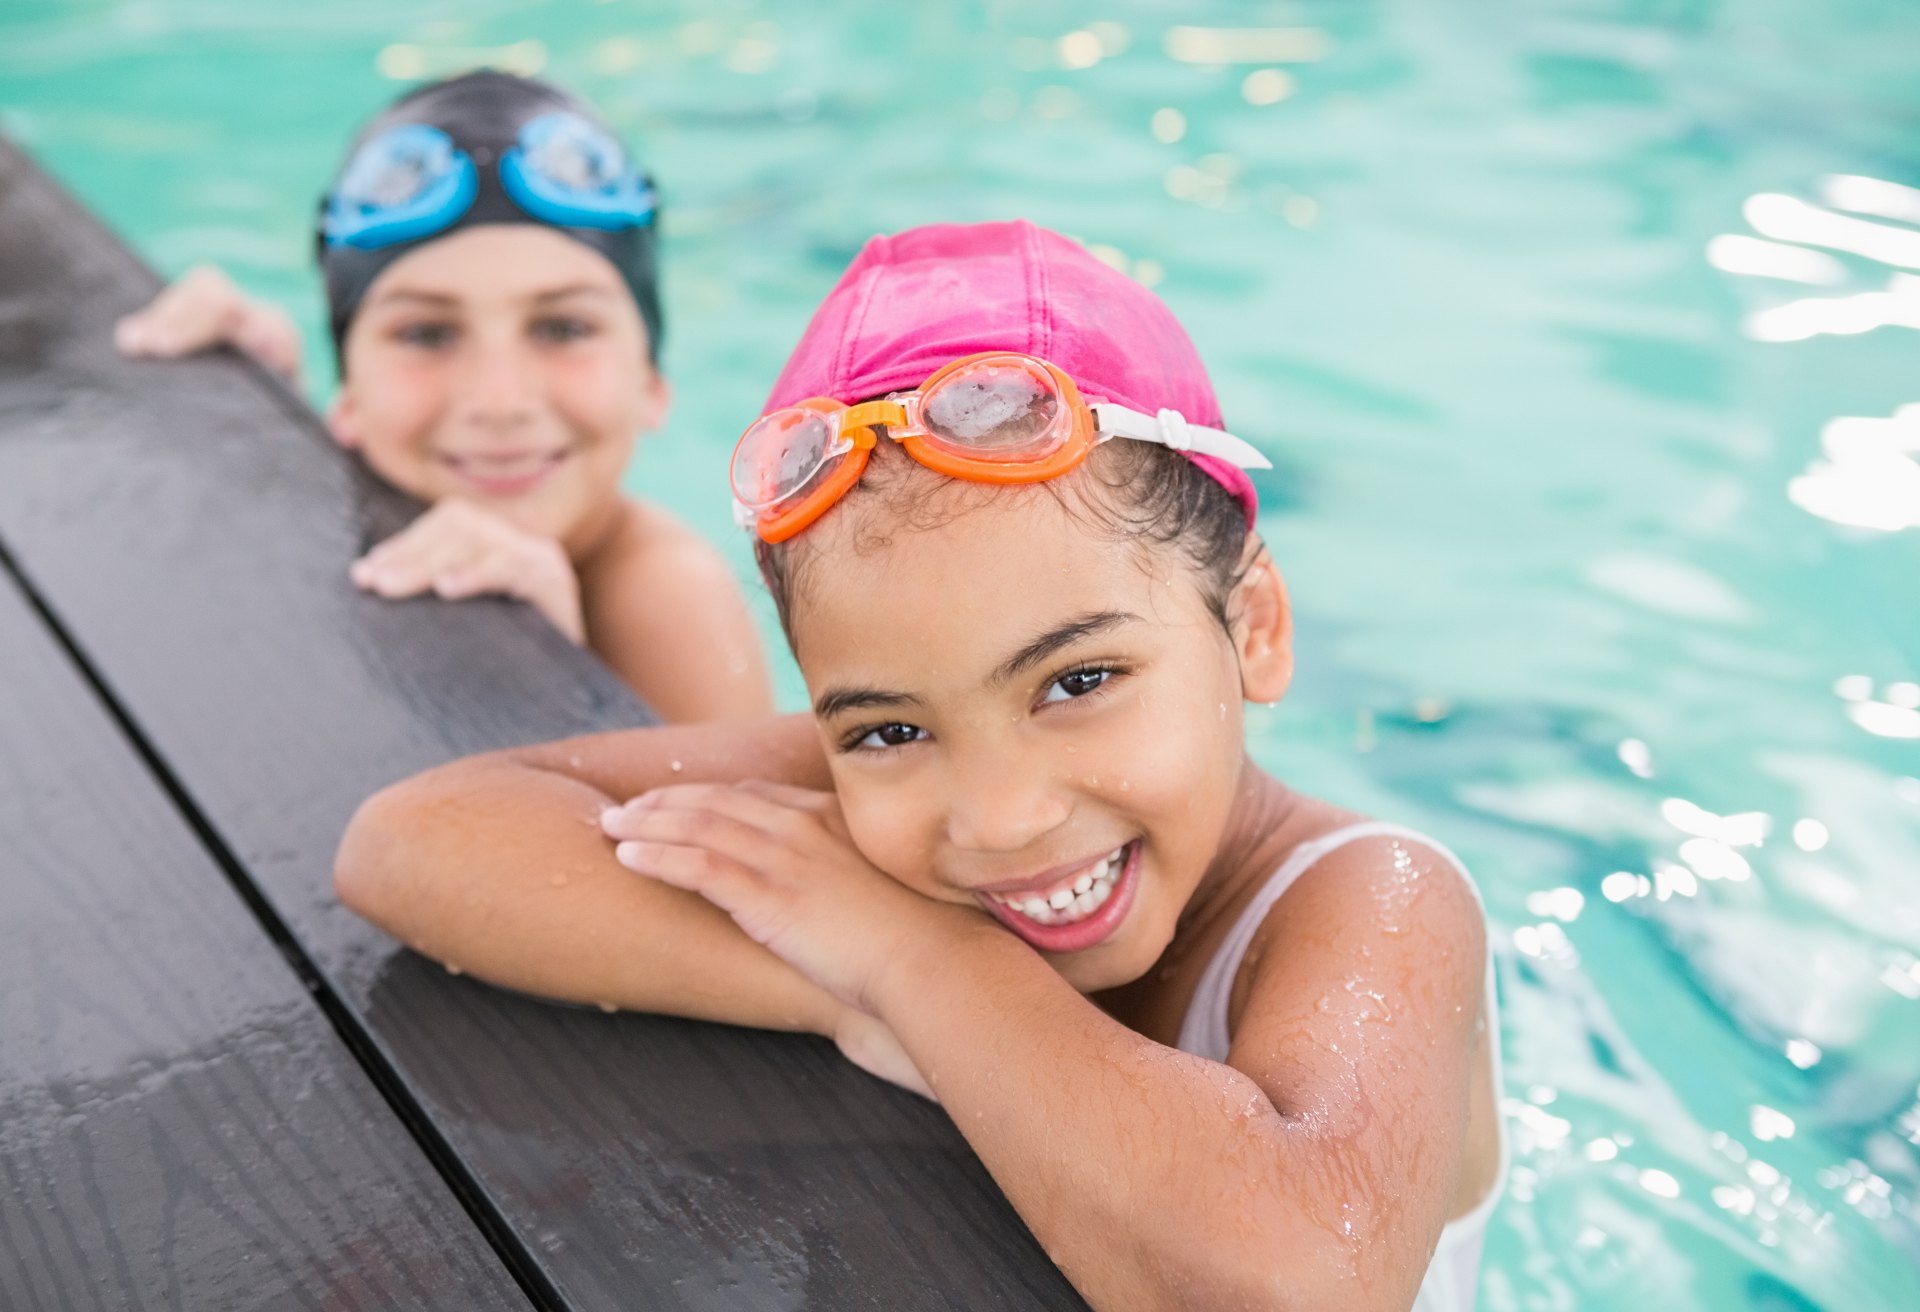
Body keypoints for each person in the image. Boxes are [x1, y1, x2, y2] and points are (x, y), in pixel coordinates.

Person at [335, 220, 1505, 1310]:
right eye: (886, 728)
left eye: (1079, 681)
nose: (999, 816)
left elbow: (1296, 1281)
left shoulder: (1377, 899)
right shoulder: (885, 784)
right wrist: (860, 982)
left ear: (1253, 626)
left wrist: (918, 963)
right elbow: (414, 840)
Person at [115, 71, 771, 723]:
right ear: (348, 396)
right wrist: (261, 415)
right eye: (427, 334)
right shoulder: (372, 489)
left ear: (650, 383)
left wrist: (549, 676)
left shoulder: (668, 595)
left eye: (563, 328)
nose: (500, 401)